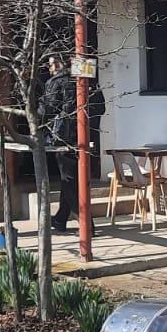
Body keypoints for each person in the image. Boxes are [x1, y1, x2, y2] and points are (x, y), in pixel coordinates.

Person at [42, 53, 104, 234]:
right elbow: (101, 108)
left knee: (70, 180)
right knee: (72, 179)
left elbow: (47, 110)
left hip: (66, 139)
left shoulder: (56, 82)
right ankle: (60, 219)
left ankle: (87, 225)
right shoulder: (89, 80)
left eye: (50, 65)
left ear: (58, 64)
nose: (50, 69)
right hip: (88, 137)